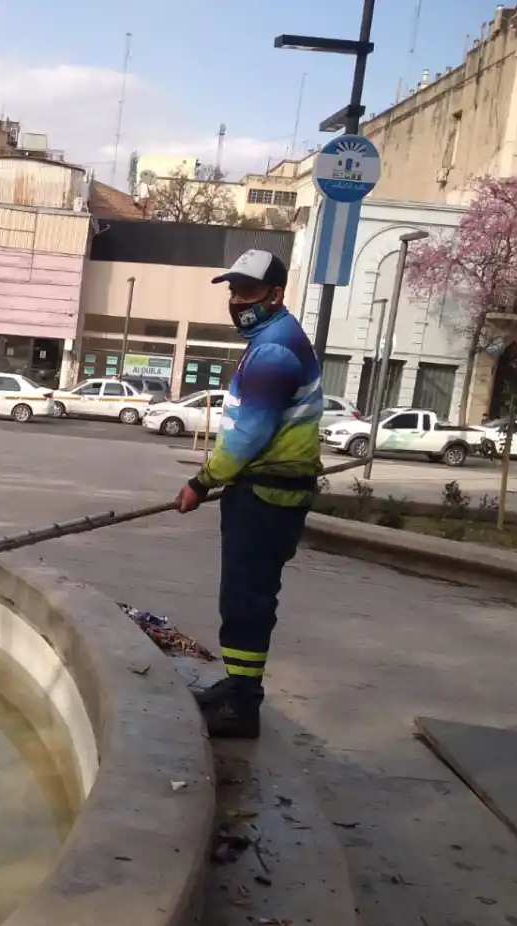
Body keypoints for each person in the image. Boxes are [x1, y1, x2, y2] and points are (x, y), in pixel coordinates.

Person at [174, 249, 323, 740]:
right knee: (244, 597)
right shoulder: (271, 340)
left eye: (249, 292)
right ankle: (239, 686)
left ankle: (243, 707)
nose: (237, 302)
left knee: (246, 600)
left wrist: (201, 482)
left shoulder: (275, 351)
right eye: (234, 292)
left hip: (266, 495)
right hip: (262, 490)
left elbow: (248, 435)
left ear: (276, 295)